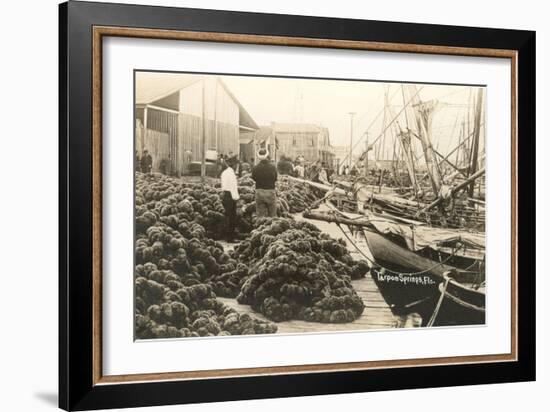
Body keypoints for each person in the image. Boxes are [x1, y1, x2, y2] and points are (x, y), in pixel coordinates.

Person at [251, 148, 278, 217]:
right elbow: (275, 178)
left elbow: (254, 178)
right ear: (267, 155)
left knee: (260, 216)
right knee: (272, 215)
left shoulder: (255, 168)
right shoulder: (273, 167)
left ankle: (261, 225)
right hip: (270, 191)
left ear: (259, 157)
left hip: (259, 191)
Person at [220, 155, 240, 241]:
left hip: (225, 195)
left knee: (227, 216)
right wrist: (236, 198)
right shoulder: (231, 174)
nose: (237, 166)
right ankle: (230, 237)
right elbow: (233, 187)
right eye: (236, 165)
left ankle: (226, 236)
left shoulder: (224, 172)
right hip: (231, 196)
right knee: (232, 217)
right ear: (234, 165)